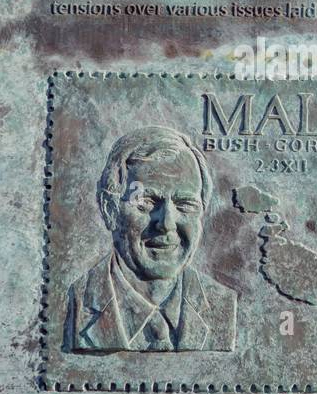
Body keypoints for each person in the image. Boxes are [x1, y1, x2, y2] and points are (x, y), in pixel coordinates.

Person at [63, 127, 236, 353]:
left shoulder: (223, 305)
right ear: (110, 210)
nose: (166, 223)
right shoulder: (72, 302)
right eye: (146, 202)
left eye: (185, 204)